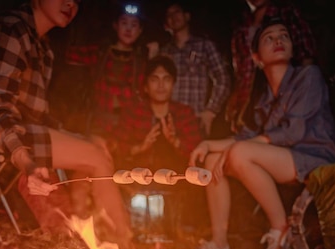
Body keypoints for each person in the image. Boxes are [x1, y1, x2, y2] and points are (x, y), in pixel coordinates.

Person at [0, 0, 134, 249]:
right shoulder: (9, 31)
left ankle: (83, 243)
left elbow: (36, 117)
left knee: (96, 147)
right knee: (96, 158)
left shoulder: (42, 46)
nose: (70, 4)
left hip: (16, 127)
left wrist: (79, 137)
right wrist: (26, 161)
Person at [189, 16, 335, 249]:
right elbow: (246, 137)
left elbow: (293, 133)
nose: (278, 40)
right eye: (268, 38)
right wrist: (209, 145)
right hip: (284, 159)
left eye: (283, 36)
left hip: (316, 158)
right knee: (213, 159)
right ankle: (219, 243)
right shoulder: (264, 100)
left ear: (292, 47)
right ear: (257, 58)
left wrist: (236, 149)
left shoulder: (308, 76)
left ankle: (281, 229)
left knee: (238, 153)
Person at [64, 2, 155, 137]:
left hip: (128, 128)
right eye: (124, 23)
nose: (128, 29)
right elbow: (68, 55)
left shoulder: (143, 60)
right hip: (98, 125)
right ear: (115, 26)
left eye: (134, 25)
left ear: (140, 30)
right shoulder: (101, 53)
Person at [226, 0, 316, 133]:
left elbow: (306, 54)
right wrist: (236, 99)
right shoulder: (243, 21)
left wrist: (304, 93)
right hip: (250, 99)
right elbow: (241, 68)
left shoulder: (286, 12)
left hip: (283, 95)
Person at [109, 55, 202, 172]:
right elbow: (115, 147)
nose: (161, 85)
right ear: (145, 87)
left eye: (166, 79)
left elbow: (198, 153)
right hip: (139, 181)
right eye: (154, 80)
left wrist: (175, 141)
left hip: (177, 180)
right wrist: (140, 147)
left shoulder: (184, 113)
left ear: (173, 85)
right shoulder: (133, 112)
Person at [159, 2, 231, 138]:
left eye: (177, 12)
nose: (173, 17)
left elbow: (223, 78)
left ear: (187, 16)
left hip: (195, 120)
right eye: (169, 15)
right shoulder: (165, 52)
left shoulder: (204, 46)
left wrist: (211, 111)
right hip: (169, 120)